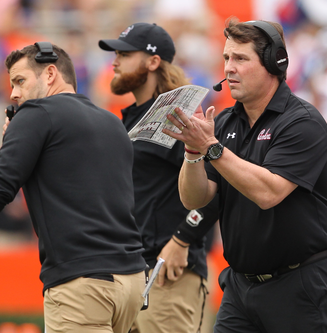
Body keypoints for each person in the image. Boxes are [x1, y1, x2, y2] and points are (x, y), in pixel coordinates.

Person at [0, 42, 147, 333]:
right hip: (131, 280)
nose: (14, 93)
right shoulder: (112, 122)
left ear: (50, 73)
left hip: (82, 282)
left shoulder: (35, 114)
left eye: (20, 80)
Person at [162, 18, 327, 332]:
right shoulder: (227, 121)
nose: (229, 68)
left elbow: (268, 193)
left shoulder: (303, 122)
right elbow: (194, 198)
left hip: (298, 285)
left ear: (274, 63)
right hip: (240, 288)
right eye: (226, 58)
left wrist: (210, 146)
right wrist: (192, 152)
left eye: (241, 59)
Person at [99, 22, 219, 333]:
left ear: (153, 62)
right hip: (131, 270)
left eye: (125, 53)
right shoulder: (133, 118)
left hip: (169, 273)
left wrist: (182, 240)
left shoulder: (176, 116)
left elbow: (216, 189)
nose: (115, 60)